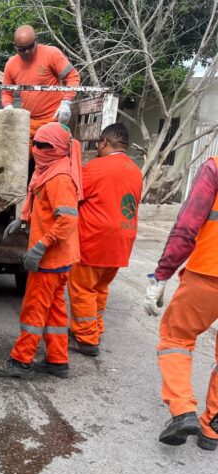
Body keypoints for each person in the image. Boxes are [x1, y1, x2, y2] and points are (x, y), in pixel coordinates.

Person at [0, 122, 81, 379]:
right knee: (54, 310)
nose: (37, 149)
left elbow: (66, 220)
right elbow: (41, 203)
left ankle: (21, 360)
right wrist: (23, 219)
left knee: (34, 310)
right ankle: (57, 359)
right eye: (36, 144)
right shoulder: (49, 170)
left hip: (51, 258)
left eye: (44, 146)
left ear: (59, 149)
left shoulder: (59, 178)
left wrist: (41, 245)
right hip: (58, 258)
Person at [143, 156, 218, 450]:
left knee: (176, 337)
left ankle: (182, 410)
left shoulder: (214, 167)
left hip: (209, 273)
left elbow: (187, 226)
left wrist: (162, 274)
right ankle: (212, 426)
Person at [68, 123, 143, 356]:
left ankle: (87, 339)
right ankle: (94, 327)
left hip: (96, 238)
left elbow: (74, 195)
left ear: (104, 143)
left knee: (82, 287)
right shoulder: (135, 171)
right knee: (100, 287)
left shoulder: (96, 168)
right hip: (123, 240)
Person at [2, 25, 81, 141]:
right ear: (15, 47)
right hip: (28, 122)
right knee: (24, 156)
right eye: (22, 49)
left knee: (50, 155)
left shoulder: (51, 54)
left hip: (52, 119)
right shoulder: (11, 65)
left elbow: (72, 76)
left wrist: (66, 102)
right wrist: (8, 106)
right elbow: (6, 92)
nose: (27, 51)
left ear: (36, 40)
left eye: (30, 46)